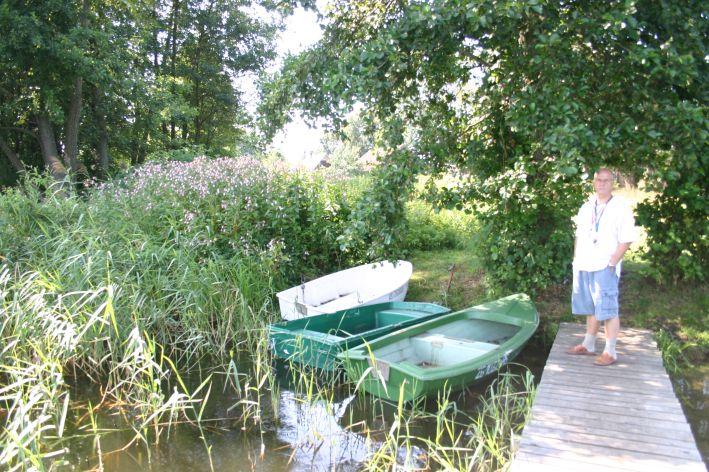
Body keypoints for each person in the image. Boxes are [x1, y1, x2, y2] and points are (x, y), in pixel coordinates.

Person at [566, 168, 637, 366]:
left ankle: (611, 351)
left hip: (605, 265)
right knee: (591, 307)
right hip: (583, 264)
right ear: (594, 182)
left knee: (608, 309)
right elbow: (579, 236)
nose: (602, 183)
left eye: (606, 180)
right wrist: (575, 259)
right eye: (599, 180)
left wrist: (612, 262)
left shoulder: (620, 207)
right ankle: (588, 345)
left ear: (612, 183)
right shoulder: (587, 206)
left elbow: (627, 238)